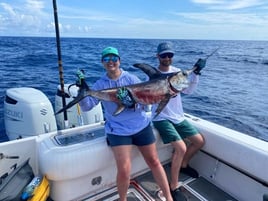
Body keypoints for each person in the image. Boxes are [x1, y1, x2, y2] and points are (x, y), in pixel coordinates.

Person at [77, 47, 173, 201]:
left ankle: (169, 198)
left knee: (154, 161)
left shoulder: (131, 79)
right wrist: (81, 90)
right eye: (107, 59)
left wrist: (132, 103)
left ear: (119, 61)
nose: (111, 62)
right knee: (124, 169)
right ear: (102, 63)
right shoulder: (100, 85)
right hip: (118, 131)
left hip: (141, 126)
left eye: (114, 58)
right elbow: (87, 106)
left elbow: (145, 103)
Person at [152, 42, 206, 200]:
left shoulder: (178, 73)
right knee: (181, 147)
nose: (167, 58)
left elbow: (188, 90)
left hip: (178, 116)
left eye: (170, 55)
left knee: (199, 141)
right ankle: (173, 186)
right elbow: (149, 97)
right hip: (161, 117)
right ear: (158, 56)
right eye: (163, 55)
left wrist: (196, 73)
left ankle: (183, 164)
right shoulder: (154, 74)